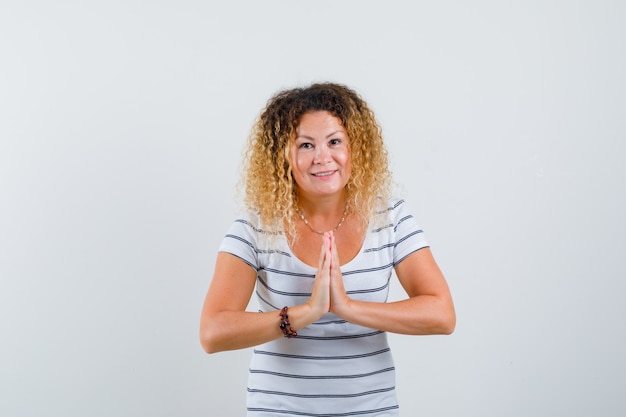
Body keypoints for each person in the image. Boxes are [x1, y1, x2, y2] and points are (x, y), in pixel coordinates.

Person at [200, 82, 455, 416]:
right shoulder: (255, 228)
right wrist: (306, 313)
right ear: (283, 156)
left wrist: (347, 307)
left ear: (356, 147)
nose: (322, 158)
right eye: (306, 145)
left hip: (371, 409)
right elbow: (213, 332)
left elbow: (441, 314)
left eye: (334, 142)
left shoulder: (390, 218)